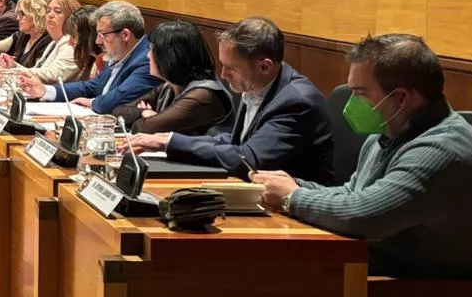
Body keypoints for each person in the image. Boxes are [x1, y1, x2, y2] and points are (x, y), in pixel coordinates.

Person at [254, 34, 472, 297]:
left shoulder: (443, 150)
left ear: (401, 98)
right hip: (370, 283)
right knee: (252, 295)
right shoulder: (388, 133)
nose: (351, 103)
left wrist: (292, 196)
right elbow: (352, 194)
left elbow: (362, 216)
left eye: (360, 92)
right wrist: (291, 185)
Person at [124, 16, 335, 181]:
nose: (223, 75)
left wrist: (169, 142)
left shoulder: (296, 102)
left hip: (295, 216)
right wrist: (165, 140)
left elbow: (248, 158)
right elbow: (232, 141)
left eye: (231, 68)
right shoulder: (257, 86)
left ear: (265, 66)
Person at [18, 0, 158, 116]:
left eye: (103, 34)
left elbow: (116, 99)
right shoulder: (120, 53)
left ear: (125, 35)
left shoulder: (146, 60)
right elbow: (92, 87)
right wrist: (46, 90)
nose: (97, 41)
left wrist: (91, 102)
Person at [123, 20, 233, 134]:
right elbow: (119, 112)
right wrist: (145, 113)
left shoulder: (204, 95)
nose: (147, 55)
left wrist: (147, 118)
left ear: (170, 57)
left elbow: (143, 128)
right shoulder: (170, 85)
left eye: (152, 49)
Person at [0, 0, 81, 83]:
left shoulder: (69, 43)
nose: (50, 15)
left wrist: (15, 71)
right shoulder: (54, 43)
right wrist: (14, 66)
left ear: (70, 17)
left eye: (57, 11)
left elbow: (54, 75)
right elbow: (38, 70)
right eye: (48, 11)